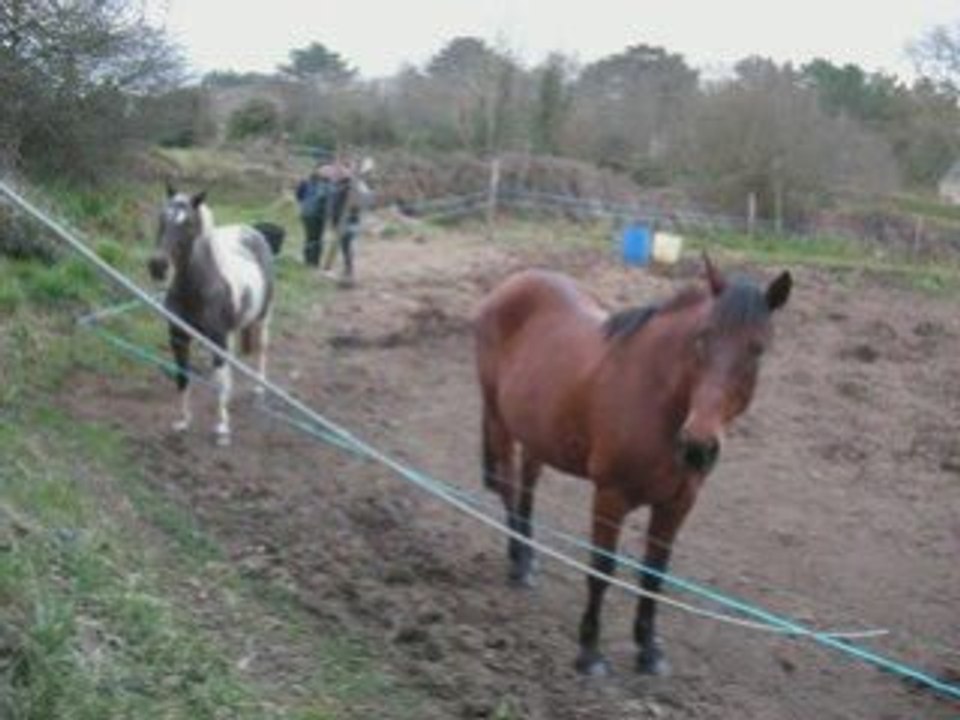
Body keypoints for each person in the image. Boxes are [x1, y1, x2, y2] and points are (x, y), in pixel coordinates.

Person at [295, 167, 328, 267]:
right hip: (317, 214)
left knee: (310, 237)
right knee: (316, 238)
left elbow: (298, 196)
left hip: (307, 213)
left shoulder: (305, 182)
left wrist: (304, 204)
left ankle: (309, 260)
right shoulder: (325, 185)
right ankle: (313, 261)